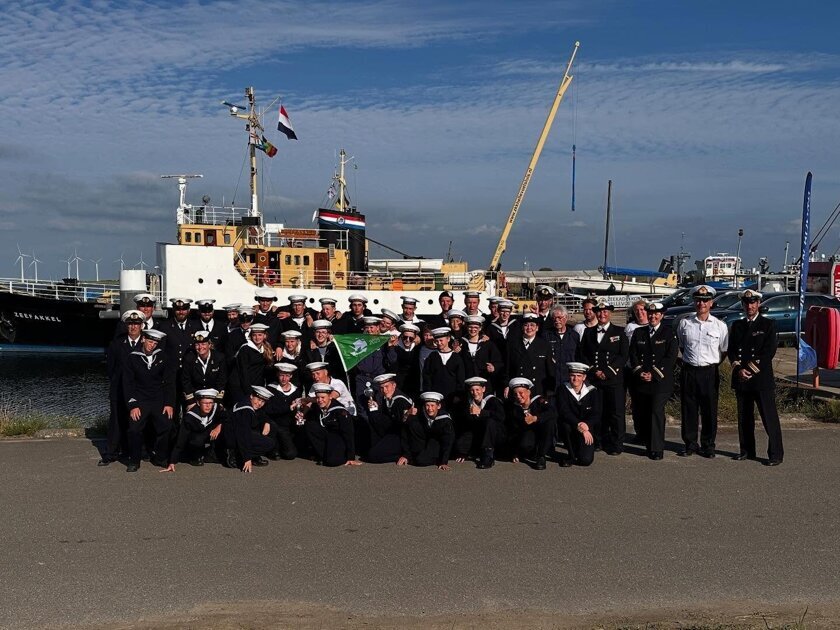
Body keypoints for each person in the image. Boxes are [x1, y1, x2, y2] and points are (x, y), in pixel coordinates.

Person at [727, 289, 784, 466]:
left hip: (760, 378)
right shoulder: (737, 325)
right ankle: (746, 450)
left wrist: (750, 369)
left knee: (769, 417)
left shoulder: (768, 325)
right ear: (743, 305)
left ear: (758, 304)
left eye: (753, 303)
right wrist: (738, 369)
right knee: (744, 417)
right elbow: (732, 350)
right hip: (742, 378)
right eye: (746, 303)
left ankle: (775, 454)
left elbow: (769, 351)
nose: (749, 306)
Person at [676, 285, 729, 458]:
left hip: (709, 372)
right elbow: (683, 347)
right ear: (694, 302)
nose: (702, 304)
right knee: (689, 409)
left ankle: (708, 445)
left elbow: (724, 350)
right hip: (689, 371)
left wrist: (711, 365)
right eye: (698, 300)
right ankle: (690, 444)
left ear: (711, 303)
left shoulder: (720, 326)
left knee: (709, 411)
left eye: (705, 300)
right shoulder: (685, 323)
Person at [628, 302, 678, 460]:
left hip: (660, 381)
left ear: (662, 315)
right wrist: (640, 372)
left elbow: (670, 358)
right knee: (645, 413)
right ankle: (649, 445)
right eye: (650, 313)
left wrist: (654, 374)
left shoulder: (668, 332)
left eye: (656, 314)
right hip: (643, 380)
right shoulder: (639, 332)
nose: (652, 316)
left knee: (656, 412)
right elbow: (633, 354)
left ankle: (657, 449)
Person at [578, 301, 628, 455]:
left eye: (605, 311)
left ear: (610, 313)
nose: (602, 314)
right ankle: (598, 441)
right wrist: (594, 371)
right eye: (599, 312)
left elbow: (623, 355)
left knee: (616, 413)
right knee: (597, 411)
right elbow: (582, 354)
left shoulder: (619, 332)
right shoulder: (588, 332)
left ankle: (616, 444)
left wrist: (608, 371)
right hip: (595, 379)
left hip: (613, 379)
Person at [122, 329, 175, 472]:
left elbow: (169, 383)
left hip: (158, 399)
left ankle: (160, 457)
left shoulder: (163, 357)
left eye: (155, 343)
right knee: (134, 429)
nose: (152, 345)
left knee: (167, 426)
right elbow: (128, 384)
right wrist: (133, 405)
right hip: (140, 399)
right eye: (150, 341)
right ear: (143, 339)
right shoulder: (132, 358)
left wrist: (169, 403)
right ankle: (134, 460)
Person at [100, 309, 146, 466]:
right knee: (116, 422)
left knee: (134, 422)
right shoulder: (116, 344)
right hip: (119, 390)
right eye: (131, 324)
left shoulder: (146, 344)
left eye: (136, 324)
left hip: (139, 391)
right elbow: (111, 369)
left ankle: (131, 452)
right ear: (126, 325)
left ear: (142, 325)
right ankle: (110, 453)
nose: (133, 327)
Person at [162, 388, 227, 470]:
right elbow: (180, 440)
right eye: (205, 403)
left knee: (226, 429)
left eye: (210, 403)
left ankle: (214, 453)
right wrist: (172, 462)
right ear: (198, 403)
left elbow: (226, 418)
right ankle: (194, 456)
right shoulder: (190, 417)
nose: (208, 406)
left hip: (210, 433)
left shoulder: (215, 408)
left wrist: (219, 427)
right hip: (194, 439)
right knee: (197, 440)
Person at [303, 382, 361, 467]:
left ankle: (341, 456)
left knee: (333, 462)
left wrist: (351, 457)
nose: (320, 400)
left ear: (330, 396)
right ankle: (322, 455)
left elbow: (348, 434)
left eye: (323, 397)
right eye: (318, 397)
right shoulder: (319, 406)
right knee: (310, 426)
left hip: (338, 437)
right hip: (327, 435)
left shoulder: (341, 412)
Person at [506, 377, 557, 470]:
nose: (518, 396)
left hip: (542, 433)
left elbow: (553, 412)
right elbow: (512, 431)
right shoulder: (514, 408)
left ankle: (542, 456)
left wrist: (535, 418)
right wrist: (514, 453)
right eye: (515, 394)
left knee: (550, 421)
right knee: (524, 444)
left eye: (521, 393)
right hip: (527, 435)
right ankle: (529, 453)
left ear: (529, 392)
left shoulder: (539, 401)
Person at [556, 363, 601, 467]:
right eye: (573, 375)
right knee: (565, 426)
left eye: (579, 376)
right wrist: (578, 424)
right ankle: (571, 456)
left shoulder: (592, 391)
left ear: (584, 377)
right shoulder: (562, 389)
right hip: (571, 425)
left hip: (586, 427)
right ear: (569, 376)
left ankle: (579, 450)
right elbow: (564, 411)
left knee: (586, 460)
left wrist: (587, 425)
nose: (575, 378)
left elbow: (596, 414)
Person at [399, 391, 455, 470]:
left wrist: (443, 462)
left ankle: (438, 458)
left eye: (432, 405)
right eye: (427, 405)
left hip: (437, 443)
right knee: (412, 423)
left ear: (438, 406)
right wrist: (406, 454)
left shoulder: (445, 419)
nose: (430, 409)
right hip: (424, 441)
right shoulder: (419, 414)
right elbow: (405, 432)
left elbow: (448, 440)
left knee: (421, 461)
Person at [365, 373, 413, 463]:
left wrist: (407, 454)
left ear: (394, 385)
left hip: (405, 437)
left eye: (387, 386)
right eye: (382, 388)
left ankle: (406, 456)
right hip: (395, 432)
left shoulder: (400, 401)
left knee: (373, 456)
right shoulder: (387, 398)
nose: (385, 390)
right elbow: (385, 420)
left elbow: (406, 427)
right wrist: (375, 409)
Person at [505, 313, 555, 397]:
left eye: (532, 325)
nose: (529, 328)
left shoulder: (544, 345)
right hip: (518, 390)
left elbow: (550, 370)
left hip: (538, 389)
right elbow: (507, 368)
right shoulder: (513, 345)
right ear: (522, 327)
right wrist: (506, 385)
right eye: (526, 325)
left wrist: (549, 390)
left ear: (537, 328)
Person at [462, 376, 506, 469]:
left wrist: (481, 412)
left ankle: (488, 456)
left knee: (490, 422)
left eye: (477, 389)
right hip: (479, 434)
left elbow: (501, 417)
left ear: (483, 389)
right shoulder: (469, 403)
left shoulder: (493, 400)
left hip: (495, 435)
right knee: (460, 447)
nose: (475, 393)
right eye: (472, 390)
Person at [230, 385, 276, 472]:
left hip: (234, 434)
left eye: (263, 401)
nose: (259, 403)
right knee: (269, 443)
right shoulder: (246, 410)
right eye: (258, 399)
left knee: (270, 427)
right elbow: (243, 435)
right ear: (251, 396)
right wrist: (247, 458)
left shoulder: (246, 402)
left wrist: (267, 422)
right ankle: (237, 456)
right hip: (233, 438)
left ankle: (247, 455)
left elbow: (262, 414)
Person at [263, 363, 302, 460]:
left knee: (290, 454)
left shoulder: (296, 391)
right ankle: (272, 449)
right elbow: (269, 409)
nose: (284, 379)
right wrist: (288, 408)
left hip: (286, 426)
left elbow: (296, 409)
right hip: (273, 423)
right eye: (281, 375)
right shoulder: (270, 389)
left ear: (291, 376)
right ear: (277, 374)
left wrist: (298, 413)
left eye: (287, 375)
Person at [181, 331, 227, 408]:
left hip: (214, 397)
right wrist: (191, 401)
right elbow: (186, 381)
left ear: (210, 345)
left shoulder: (219, 358)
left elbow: (222, 380)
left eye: (203, 344)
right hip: (196, 398)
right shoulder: (189, 359)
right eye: (197, 344)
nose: (200, 347)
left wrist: (218, 401)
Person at [228, 322, 273, 401]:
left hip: (254, 386)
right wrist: (249, 392)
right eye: (254, 335)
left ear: (264, 336)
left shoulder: (266, 349)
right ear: (251, 336)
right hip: (240, 387)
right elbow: (243, 372)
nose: (257, 337)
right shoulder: (245, 349)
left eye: (260, 335)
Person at [458, 315, 504, 390]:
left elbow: (499, 362)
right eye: (470, 327)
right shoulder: (461, 344)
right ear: (467, 327)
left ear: (480, 328)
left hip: (485, 384)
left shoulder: (488, 344)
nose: (473, 329)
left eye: (476, 327)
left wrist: (494, 367)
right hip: (466, 384)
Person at [422, 327, 465, 405]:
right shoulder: (432, 356)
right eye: (437, 341)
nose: (439, 343)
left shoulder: (456, 357)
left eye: (441, 340)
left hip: (452, 398)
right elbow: (427, 377)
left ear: (448, 339)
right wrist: (429, 394)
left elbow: (460, 379)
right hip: (435, 397)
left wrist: (458, 395)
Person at [543, 305, 579, 388]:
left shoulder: (574, 336)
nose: (557, 320)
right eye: (554, 318)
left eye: (559, 317)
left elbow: (578, 357)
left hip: (569, 380)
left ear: (566, 318)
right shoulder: (546, 336)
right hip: (552, 380)